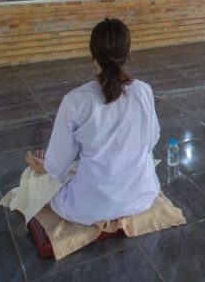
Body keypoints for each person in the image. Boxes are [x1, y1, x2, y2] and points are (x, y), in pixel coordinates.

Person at [23, 19, 162, 225]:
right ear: (128, 51)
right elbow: (151, 140)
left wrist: (40, 165)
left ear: (92, 53)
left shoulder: (75, 101)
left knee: (35, 182)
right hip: (142, 196)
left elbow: (57, 164)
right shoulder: (143, 91)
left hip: (90, 208)